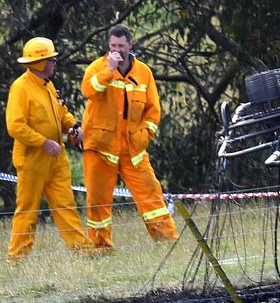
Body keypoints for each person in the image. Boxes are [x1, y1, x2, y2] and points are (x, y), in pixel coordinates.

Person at [80, 24, 179, 251]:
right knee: (97, 202)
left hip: (133, 148)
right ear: (108, 45)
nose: (117, 50)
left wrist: (145, 135)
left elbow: (153, 110)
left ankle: (167, 241)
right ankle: (100, 247)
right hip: (100, 147)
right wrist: (109, 70)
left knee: (152, 197)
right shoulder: (98, 67)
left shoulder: (143, 72)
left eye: (121, 46)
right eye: (113, 45)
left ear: (130, 45)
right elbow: (88, 90)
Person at [5, 37, 96, 262]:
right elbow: (15, 126)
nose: (54, 62)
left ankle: (82, 250)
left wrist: (74, 126)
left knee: (66, 205)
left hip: (57, 158)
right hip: (32, 160)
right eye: (50, 59)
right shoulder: (21, 88)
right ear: (38, 62)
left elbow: (61, 112)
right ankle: (17, 257)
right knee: (27, 210)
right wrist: (43, 142)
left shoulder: (48, 85)